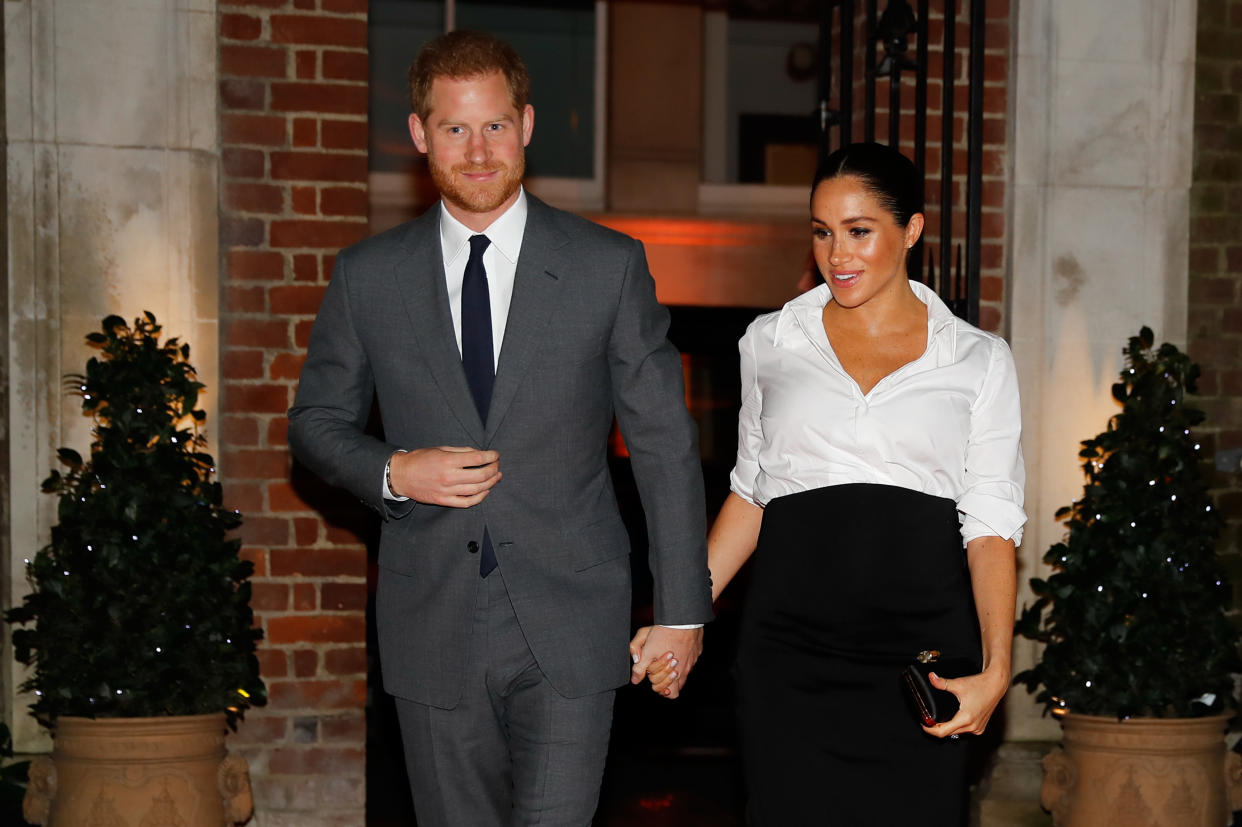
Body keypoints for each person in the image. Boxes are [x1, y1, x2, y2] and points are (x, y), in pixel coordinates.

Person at [288, 30, 712, 827]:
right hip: (431, 623)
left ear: (526, 124)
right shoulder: (368, 277)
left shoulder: (606, 266)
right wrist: (394, 472)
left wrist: (683, 610)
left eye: (494, 126)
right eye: (454, 128)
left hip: (574, 621)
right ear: (420, 135)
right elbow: (314, 423)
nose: (477, 151)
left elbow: (663, 445)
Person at [634, 142, 1025, 825]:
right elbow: (753, 492)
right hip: (790, 653)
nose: (837, 254)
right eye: (822, 231)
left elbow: (991, 522)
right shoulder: (770, 342)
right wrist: (680, 612)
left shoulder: (978, 360)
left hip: (922, 655)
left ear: (912, 231)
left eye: (859, 231)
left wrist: (997, 666)